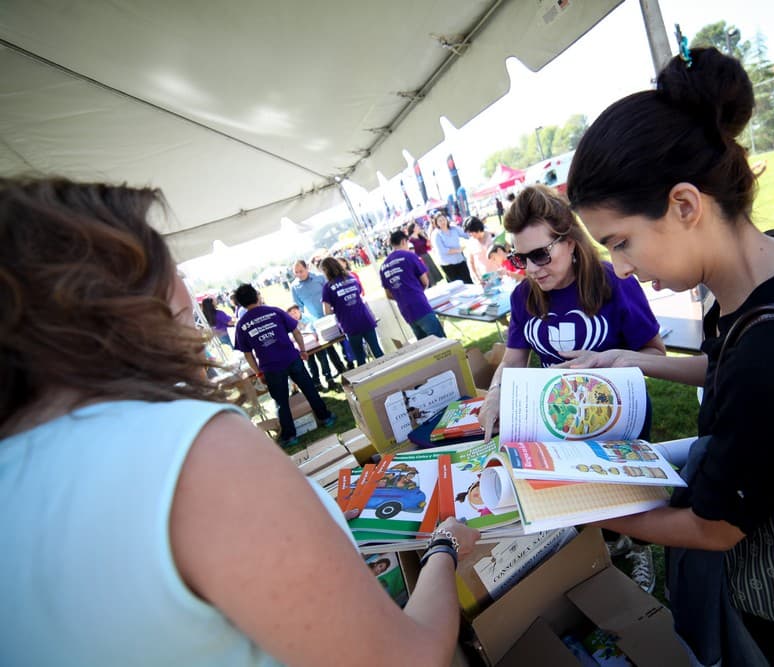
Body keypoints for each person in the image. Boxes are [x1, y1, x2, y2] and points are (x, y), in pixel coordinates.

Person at [0, 176, 480, 666]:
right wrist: (443, 548)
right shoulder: (195, 451)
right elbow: (406, 659)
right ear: (127, 304)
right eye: (169, 268)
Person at [562, 48, 774, 664]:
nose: (622, 269)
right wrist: (639, 361)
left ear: (685, 205)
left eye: (621, 242)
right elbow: (727, 368)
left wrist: (582, 506)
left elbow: (713, 529)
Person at [477, 185, 664, 439]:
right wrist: (496, 392)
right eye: (521, 258)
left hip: (618, 416)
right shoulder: (523, 296)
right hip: (558, 418)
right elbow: (512, 361)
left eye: (540, 254)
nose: (531, 269)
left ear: (570, 243)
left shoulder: (616, 283)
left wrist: (606, 364)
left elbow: (656, 353)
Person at [233, 284, 336, 448]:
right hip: (291, 358)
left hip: (271, 367)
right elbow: (296, 331)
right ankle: (326, 418)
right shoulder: (274, 311)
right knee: (309, 389)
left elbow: (247, 354)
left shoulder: (242, 324)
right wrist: (303, 350)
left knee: (281, 402)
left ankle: (290, 436)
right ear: (257, 296)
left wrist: (258, 373)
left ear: (240, 304)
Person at [291, 259, 349, 386]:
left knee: (342, 340)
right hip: (315, 322)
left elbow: (331, 293)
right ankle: (339, 369)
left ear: (307, 268)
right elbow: (299, 308)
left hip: (331, 316)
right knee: (327, 347)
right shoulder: (294, 287)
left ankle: (349, 362)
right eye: (296, 272)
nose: (299, 274)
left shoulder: (320, 277)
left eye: (301, 271)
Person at [380, 230, 447, 340]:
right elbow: (425, 281)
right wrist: (416, 292)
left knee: (424, 344)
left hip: (405, 310)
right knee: (440, 341)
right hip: (420, 306)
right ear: (403, 241)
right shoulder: (409, 256)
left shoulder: (383, 266)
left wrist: (402, 296)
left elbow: (388, 295)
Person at [320, 256, 384, 365]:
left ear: (326, 271)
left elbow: (327, 311)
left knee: (360, 356)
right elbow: (359, 293)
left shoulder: (328, 287)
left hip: (349, 323)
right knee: (377, 350)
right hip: (365, 318)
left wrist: (338, 307)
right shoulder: (351, 277)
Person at [430, 210, 474, 284]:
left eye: (443, 219)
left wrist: (476, 232)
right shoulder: (436, 234)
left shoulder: (454, 229)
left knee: (468, 281)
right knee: (457, 285)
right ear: (436, 223)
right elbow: (442, 250)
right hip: (448, 264)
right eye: (440, 221)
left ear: (447, 219)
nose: (442, 222)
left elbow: (466, 234)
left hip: (459, 260)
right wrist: (458, 250)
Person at [407, 222, 443, 286]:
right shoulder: (410, 240)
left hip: (427, 256)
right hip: (420, 259)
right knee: (428, 276)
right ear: (413, 229)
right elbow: (412, 253)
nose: (419, 227)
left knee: (433, 275)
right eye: (417, 226)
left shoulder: (421, 236)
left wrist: (427, 242)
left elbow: (428, 247)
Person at [462, 216, 495, 283]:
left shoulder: (492, 235)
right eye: (468, 233)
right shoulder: (471, 243)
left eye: (471, 232)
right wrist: (477, 278)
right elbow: (470, 262)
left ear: (477, 228)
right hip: (485, 278)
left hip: (500, 273)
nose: (470, 235)